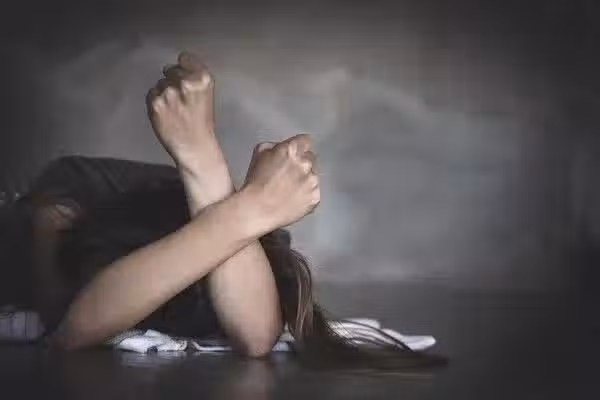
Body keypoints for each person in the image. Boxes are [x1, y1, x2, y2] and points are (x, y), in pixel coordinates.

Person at [0, 52, 446, 371]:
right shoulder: (78, 195)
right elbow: (71, 329)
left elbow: (256, 337)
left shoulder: (243, 232)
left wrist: (216, 176)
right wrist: (233, 193)